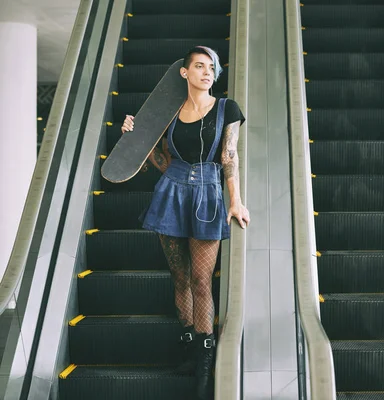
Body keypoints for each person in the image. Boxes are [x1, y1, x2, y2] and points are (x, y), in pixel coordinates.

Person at [121, 45, 250, 399]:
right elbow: (160, 160)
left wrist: (235, 200)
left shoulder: (227, 108)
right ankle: (189, 345)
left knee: (200, 279)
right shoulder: (169, 111)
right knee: (179, 277)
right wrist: (136, 136)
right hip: (171, 192)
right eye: (199, 66)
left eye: (212, 67)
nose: (207, 72)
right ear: (184, 72)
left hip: (208, 194)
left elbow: (228, 155)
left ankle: (205, 363)